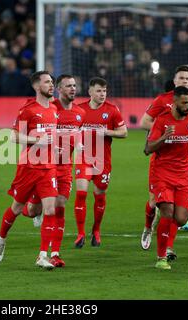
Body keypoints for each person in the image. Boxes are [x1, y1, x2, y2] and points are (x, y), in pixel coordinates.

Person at [140, 65, 188, 257]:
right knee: (153, 201)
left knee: (180, 209)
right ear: (174, 81)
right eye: (181, 78)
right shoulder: (163, 101)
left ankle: (168, 245)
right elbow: (144, 123)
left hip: (185, 156)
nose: (185, 81)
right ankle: (149, 227)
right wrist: (166, 131)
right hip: (163, 154)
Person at [0, 71, 59, 270]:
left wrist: (54, 147)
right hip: (28, 166)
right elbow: (13, 137)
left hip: (49, 167)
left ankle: (42, 256)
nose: (51, 85)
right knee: (16, 208)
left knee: (50, 209)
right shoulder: (28, 110)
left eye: (52, 82)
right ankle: (1, 238)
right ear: (37, 86)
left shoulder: (54, 109)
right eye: (47, 82)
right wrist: (36, 140)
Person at [22, 74, 86, 267]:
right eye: (68, 86)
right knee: (34, 210)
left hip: (65, 167)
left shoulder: (80, 113)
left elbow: (76, 135)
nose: (73, 89)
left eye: (74, 86)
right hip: (45, 166)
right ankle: (29, 208)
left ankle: (54, 253)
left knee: (59, 207)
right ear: (59, 89)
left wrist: (80, 145)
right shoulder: (51, 107)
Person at [146, 86, 188, 270]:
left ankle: (160, 223)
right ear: (175, 101)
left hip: (182, 176)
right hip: (162, 174)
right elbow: (149, 148)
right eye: (184, 102)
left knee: (180, 219)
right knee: (167, 212)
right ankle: (161, 257)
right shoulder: (162, 121)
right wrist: (164, 137)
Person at [73, 77, 127, 248]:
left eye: (104, 91)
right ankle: (80, 233)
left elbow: (124, 132)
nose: (102, 94)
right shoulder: (79, 109)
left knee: (99, 195)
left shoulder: (112, 110)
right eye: (98, 91)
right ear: (90, 92)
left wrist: (107, 132)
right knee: (81, 193)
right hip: (83, 158)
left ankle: (96, 230)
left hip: (103, 160)